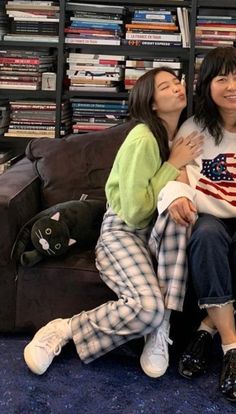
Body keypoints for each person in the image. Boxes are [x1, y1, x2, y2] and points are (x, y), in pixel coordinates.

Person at [23, 67, 203, 379]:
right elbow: (134, 213)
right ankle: (64, 329)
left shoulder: (175, 136)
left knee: (179, 217)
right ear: (151, 103)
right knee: (148, 308)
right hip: (122, 231)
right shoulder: (143, 138)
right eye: (166, 86)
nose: (177, 87)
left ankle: (159, 329)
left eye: (177, 82)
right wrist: (173, 164)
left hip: (150, 235)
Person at [162, 47, 236, 402]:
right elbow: (177, 171)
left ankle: (205, 329)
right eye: (222, 78)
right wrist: (176, 195)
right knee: (205, 236)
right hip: (210, 216)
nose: (232, 85)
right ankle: (232, 348)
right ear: (207, 86)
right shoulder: (195, 129)